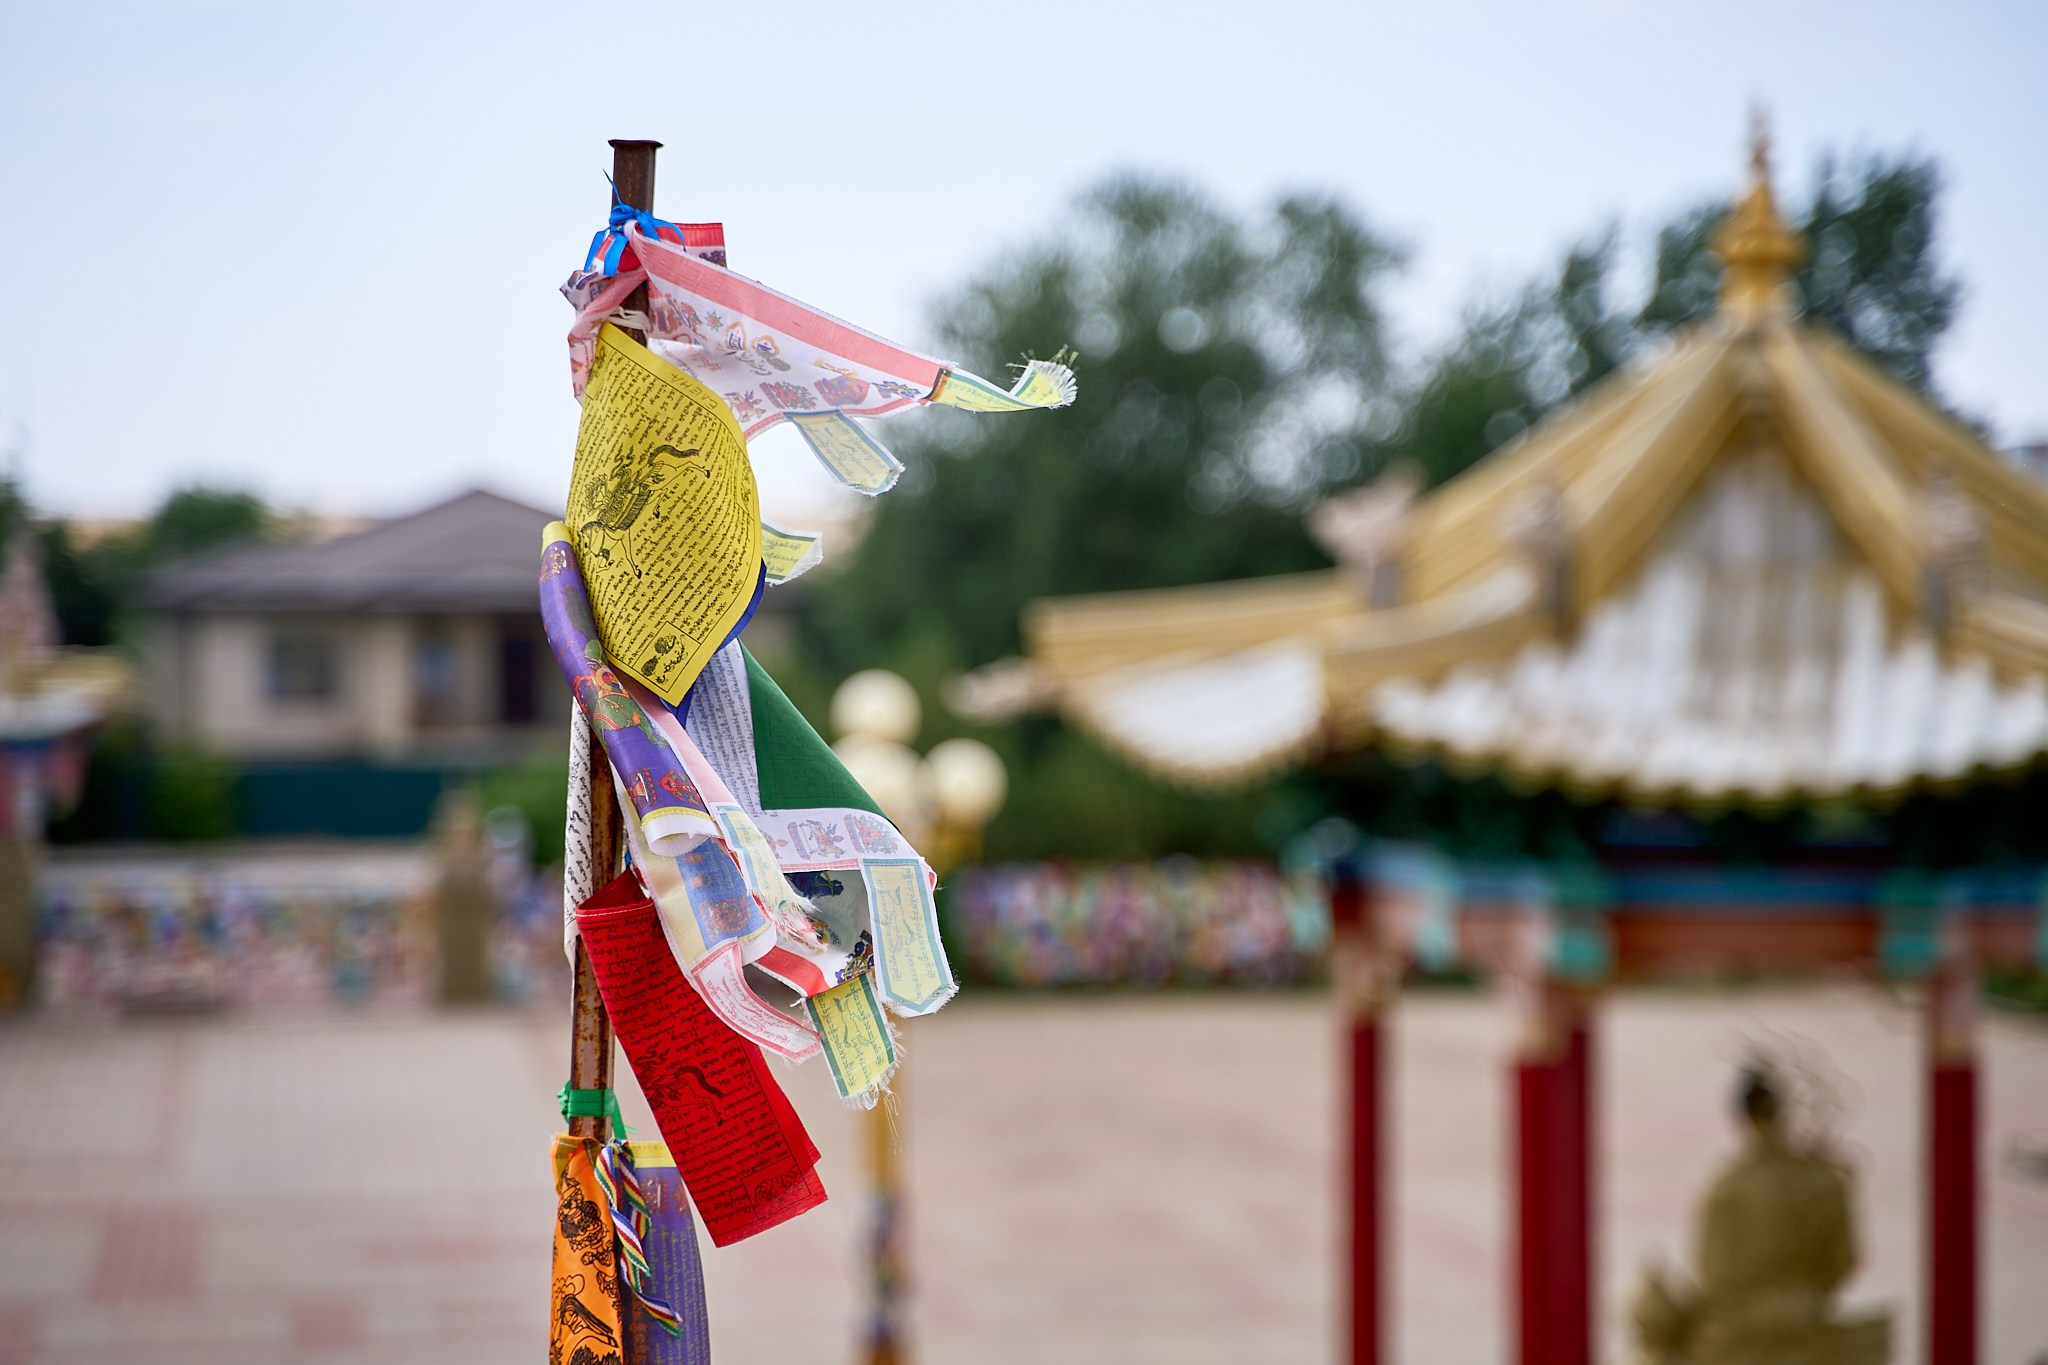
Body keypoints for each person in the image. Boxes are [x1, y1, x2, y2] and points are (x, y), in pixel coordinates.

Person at [1632, 1066, 1891, 1364]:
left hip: (1739, 1335)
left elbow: (1714, 1278)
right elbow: (1843, 1260)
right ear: (1782, 1111)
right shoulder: (1824, 1181)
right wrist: (1803, 1297)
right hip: (1808, 1324)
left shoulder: (1728, 1187)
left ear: (1745, 1116)